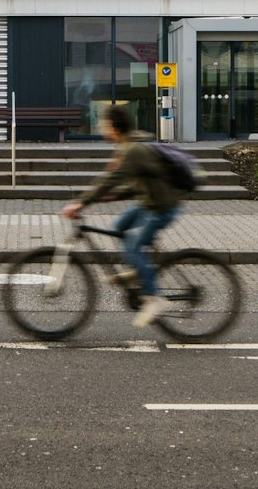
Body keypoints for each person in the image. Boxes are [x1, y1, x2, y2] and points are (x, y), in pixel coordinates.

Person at [61, 103, 183, 327]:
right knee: (119, 226)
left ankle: (155, 298)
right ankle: (140, 269)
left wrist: (80, 203)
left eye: (104, 125)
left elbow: (109, 180)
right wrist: (114, 197)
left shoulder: (133, 150)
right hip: (149, 202)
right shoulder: (127, 147)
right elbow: (138, 181)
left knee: (131, 247)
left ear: (115, 128)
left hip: (162, 207)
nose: (101, 130)